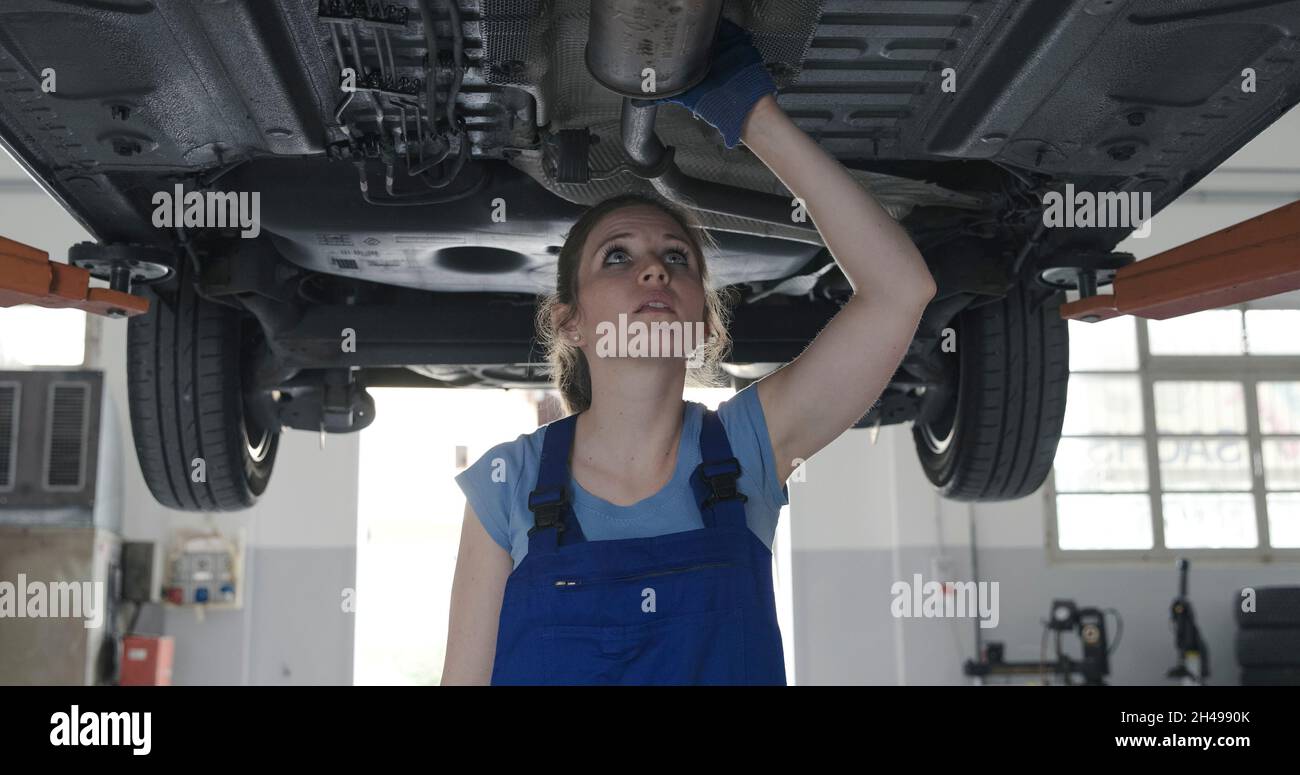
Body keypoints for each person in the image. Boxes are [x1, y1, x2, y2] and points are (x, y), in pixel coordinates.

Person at [442, 20, 936, 685]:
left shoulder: (748, 449)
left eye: (675, 259)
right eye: (618, 257)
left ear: (702, 319)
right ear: (572, 321)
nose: (654, 271)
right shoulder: (510, 485)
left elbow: (901, 290)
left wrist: (755, 117)